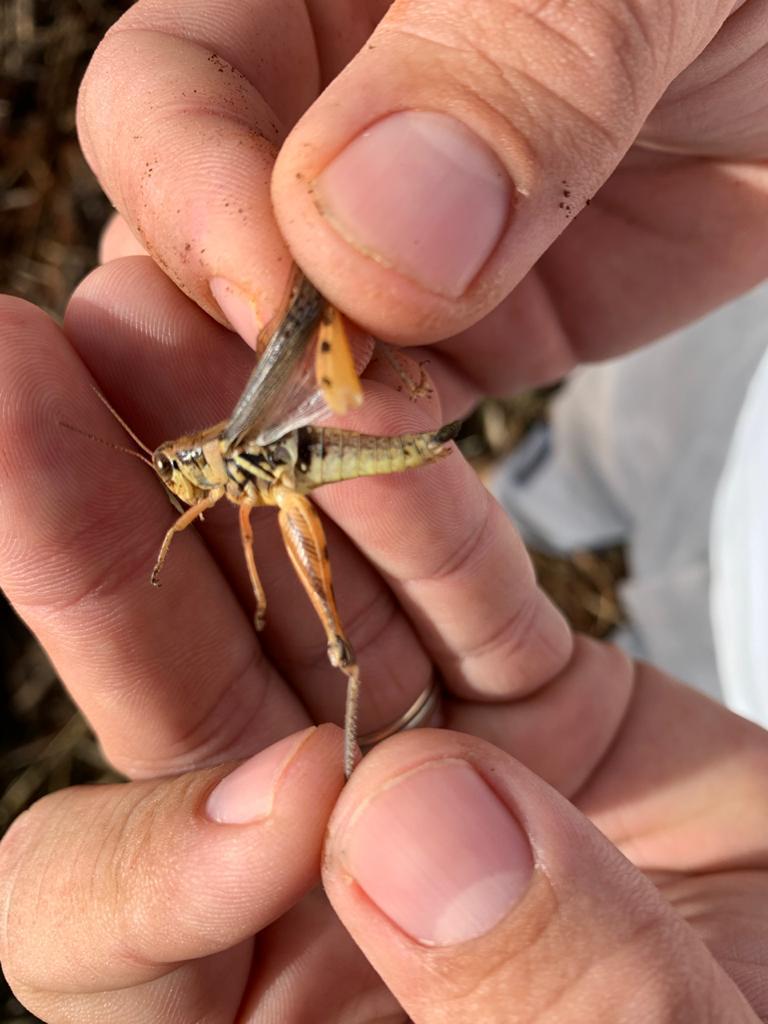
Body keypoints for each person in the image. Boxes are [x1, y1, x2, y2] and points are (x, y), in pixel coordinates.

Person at [1, 0, 767, 1019]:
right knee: (377, 567)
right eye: (179, 482)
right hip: (681, 537)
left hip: (329, 445)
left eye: (183, 477)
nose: (181, 494)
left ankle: (541, 483)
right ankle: (555, 484)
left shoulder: (228, 461)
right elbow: (228, 521)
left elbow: (252, 454)